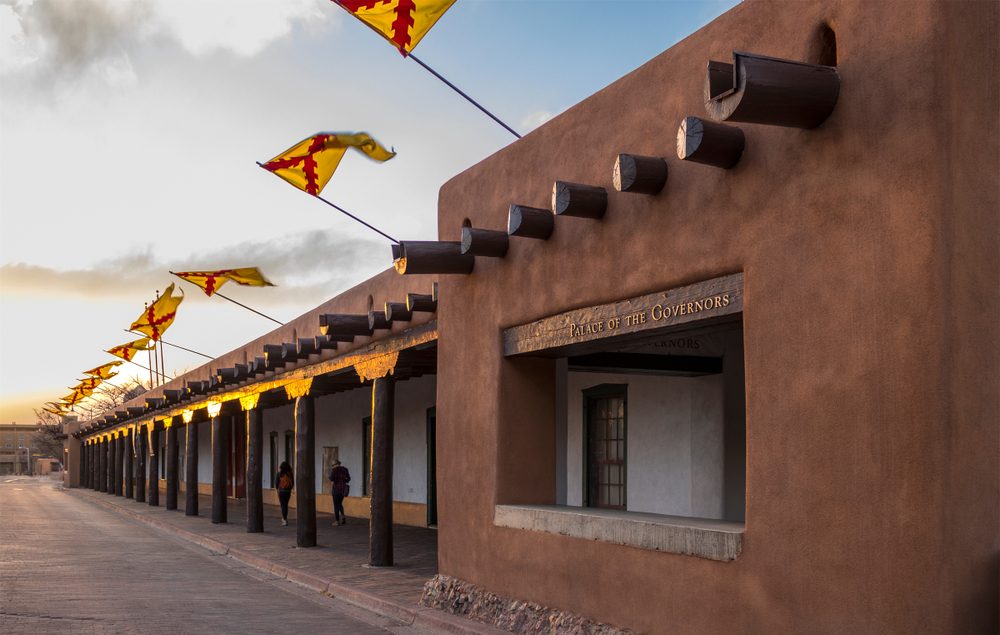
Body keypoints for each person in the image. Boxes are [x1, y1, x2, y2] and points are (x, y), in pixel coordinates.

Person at [328, 460, 350, 526]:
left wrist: (330, 475)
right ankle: (343, 516)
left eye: (333, 465)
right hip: (343, 489)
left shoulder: (334, 470)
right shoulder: (345, 469)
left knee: (336, 505)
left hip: (336, 490)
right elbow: (348, 479)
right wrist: (343, 481)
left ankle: (337, 521)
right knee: (340, 503)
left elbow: (331, 478)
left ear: (334, 465)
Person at [275, 461, 293, 526]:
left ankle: (284, 520)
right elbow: (292, 483)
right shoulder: (290, 474)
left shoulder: (279, 474)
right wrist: (289, 489)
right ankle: (285, 518)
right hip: (288, 492)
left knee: (283, 506)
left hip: (281, 492)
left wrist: (277, 489)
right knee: (286, 505)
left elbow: (276, 483)